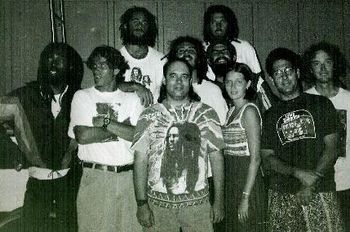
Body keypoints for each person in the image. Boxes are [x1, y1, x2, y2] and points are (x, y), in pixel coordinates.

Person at [132, 58, 225, 232]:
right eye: (173, 76)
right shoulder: (148, 115)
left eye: (184, 77)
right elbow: (140, 160)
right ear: (165, 80)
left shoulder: (207, 113)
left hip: (198, 205)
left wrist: (219, 201)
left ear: (190, 81)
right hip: (157, 207)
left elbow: (217, 158)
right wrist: (141, 203)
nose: (179, 81)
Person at [261, 47, 344, 231]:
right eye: (277, 73)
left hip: (319, 190)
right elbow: (267, 158)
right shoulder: (269, 116)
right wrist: (298, 173)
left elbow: (332, 148)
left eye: (288, 70)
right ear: (272, 80)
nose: (284, 76)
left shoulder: (321, 104)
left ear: (297, 73)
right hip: (281, 195)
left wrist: (311, 181)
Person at [6, 42, 84, 232]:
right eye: (48, 58)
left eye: (59, 59)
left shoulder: (80, 97)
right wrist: (14, 150)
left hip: (70, 184)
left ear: (71, 65)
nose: (53, 63)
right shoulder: (25, 95)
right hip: (37, 185)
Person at [68, 45, 143, 232]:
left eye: (103, 65)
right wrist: (122, 126)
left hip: (128, 178)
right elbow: (83, 136)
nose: (96, 70)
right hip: (95, 178)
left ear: (116, 70)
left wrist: (106, 122)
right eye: (94, 65)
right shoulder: (82, 96)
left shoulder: (132, 100)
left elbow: (138, 136)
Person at [302, 41, 350, 231]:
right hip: (317, 185)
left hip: (347, 182)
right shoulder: (304, 101)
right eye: (316, 63)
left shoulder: (348, 99)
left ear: (335, 65)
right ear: (310, 68)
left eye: (327, 62)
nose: (322, 68)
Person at [219, 63, 266, 231]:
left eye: (238, 81)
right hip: (232, 176)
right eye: (228, 82)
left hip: (247, 178)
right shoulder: (230, 110)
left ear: (247, 84)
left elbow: (256, 158)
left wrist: (246, 197)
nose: (232, 86)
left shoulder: (249, 111)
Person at [203, 4, 274, 112]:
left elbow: (258, 80)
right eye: (214, 22)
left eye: (222, 21)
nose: (218, 25)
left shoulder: (244, 47)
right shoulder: (201, 49)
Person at [167, 36, 228, 125]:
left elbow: (221, 125)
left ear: (199, 58)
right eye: (181, 51)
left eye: (191, 50)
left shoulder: (212, 90)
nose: (186, 53)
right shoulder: (167, 89)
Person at [119, 6, 165, 103]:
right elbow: (108, 88)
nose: (140, 25)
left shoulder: (161, 60)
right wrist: (135, 86)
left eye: (144, 22)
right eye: (135, 21)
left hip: (152, 115)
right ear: (126, 26)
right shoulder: (116, 57)